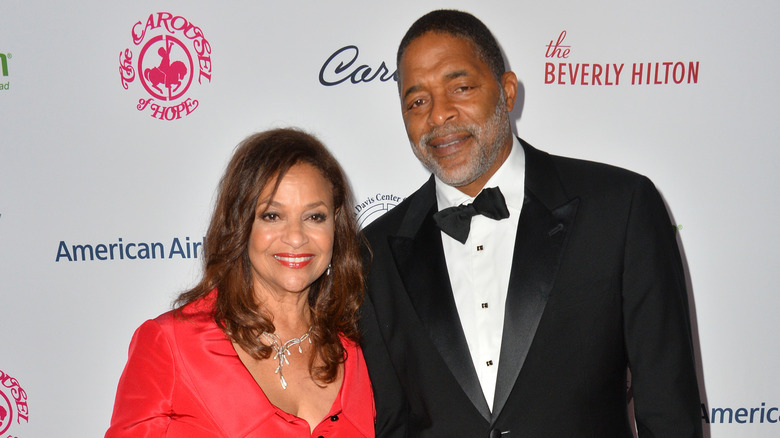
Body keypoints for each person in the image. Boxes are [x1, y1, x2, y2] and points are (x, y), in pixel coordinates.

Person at [360, 9, 702, 437]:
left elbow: (670, 411)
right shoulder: (372, 255)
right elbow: (390, 424)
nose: (439, 115)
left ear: (506, 92)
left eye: (460, 87)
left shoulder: (619, 208)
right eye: (417, 101)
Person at [106, 128, 375, 437]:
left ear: (336, 225)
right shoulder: (171, 343)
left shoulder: (353, 349)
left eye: (314, 217)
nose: (296, 237)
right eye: (272, 216)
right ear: (240, 224)